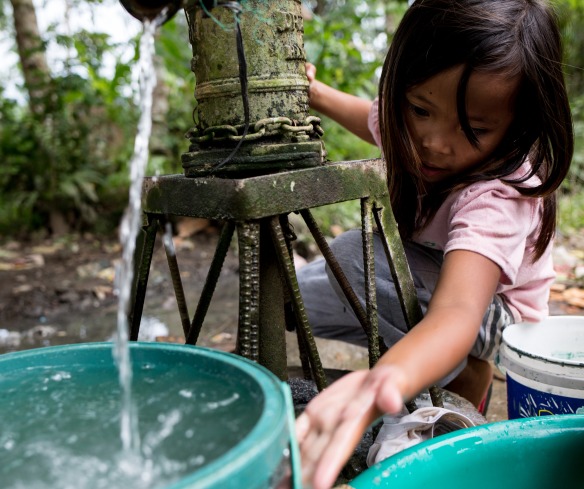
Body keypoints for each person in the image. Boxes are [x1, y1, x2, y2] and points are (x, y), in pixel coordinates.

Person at [295, 1, 574, 488]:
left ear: (518, 126)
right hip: (432, 280)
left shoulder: (500, 192)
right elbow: (371, 119)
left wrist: (384, 380)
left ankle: (442, 395)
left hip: (494, 314)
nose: (434, 142)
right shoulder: (410, 130)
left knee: (362, 261)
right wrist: (315, 93)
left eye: (474, 130)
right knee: (312, 284)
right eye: (421, 110)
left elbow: (458, 312)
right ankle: (442, 372)